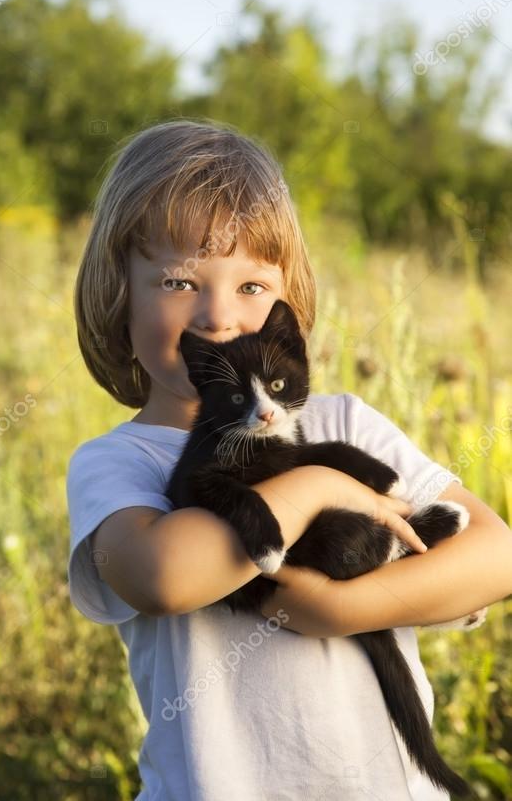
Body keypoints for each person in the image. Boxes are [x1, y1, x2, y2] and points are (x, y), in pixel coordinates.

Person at [66, 118, 512, 800]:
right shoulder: (120, 462)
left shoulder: (339, 419)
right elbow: (163, 575)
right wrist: (321, 483)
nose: (219, 315)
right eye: (180, 281)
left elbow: (494, 555)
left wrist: (341, 608)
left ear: (287, 308)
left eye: (251, 287)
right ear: (119, 296)